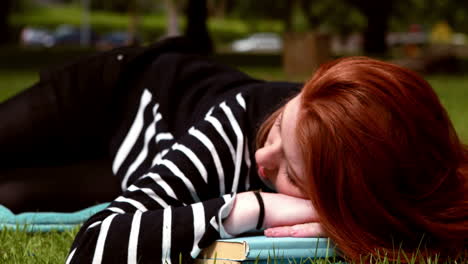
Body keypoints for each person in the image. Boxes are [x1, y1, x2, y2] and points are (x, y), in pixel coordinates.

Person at [0, 37, 466, 263]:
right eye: (280, 126)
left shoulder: (382, 174)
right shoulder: (236, 127)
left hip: (134, 159)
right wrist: (254, 203)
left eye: (291, 174)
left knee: (12, 195)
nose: (262, 158)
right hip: (116, 91)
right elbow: (92, 248)